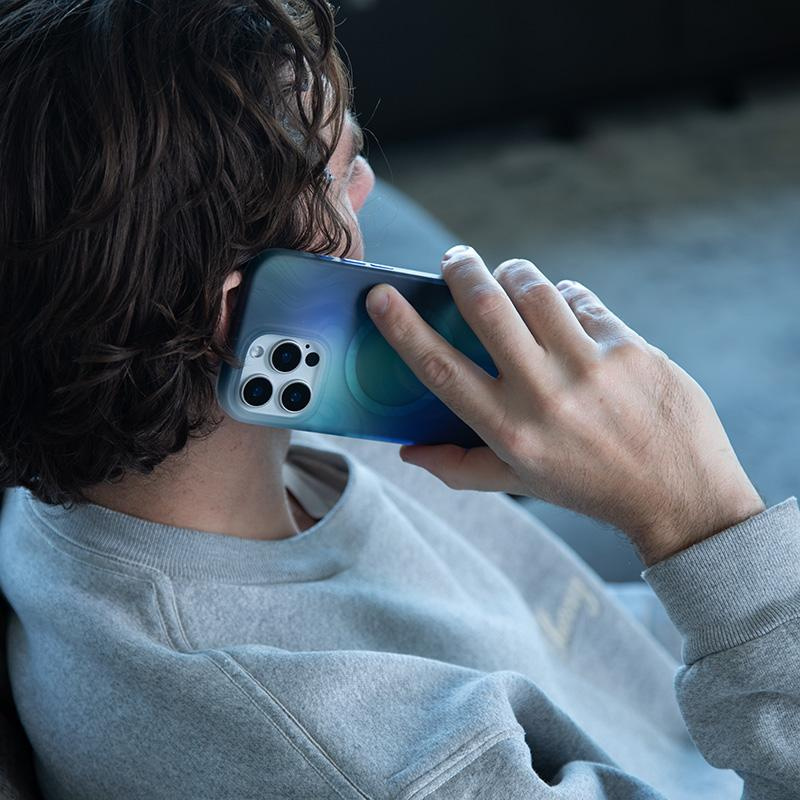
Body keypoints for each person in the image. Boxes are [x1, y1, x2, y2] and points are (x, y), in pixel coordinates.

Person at [0, 1, 797, 798]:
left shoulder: (183, 439)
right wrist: (699, 517)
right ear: (235, 313)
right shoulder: (370, 762)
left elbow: (592, 649)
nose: (367, 187)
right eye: (338, 174)